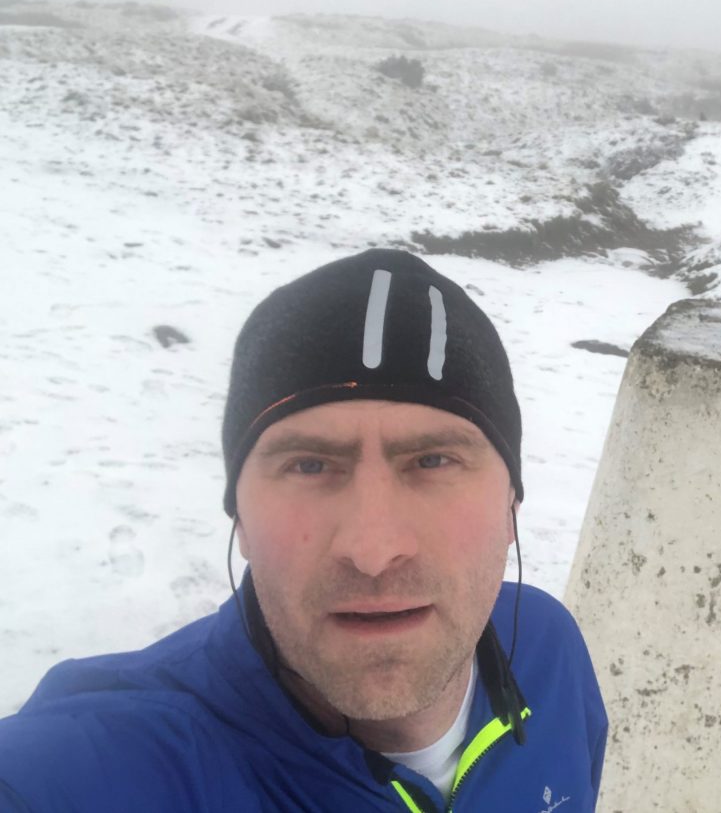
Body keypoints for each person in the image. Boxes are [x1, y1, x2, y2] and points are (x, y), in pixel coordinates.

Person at [0, 249, 607, 812]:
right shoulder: (96, 769)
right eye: (310, 465)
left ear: (512, 505)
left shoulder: (550, 652)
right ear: (239, 514)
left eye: (433, 460)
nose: (373, 551)